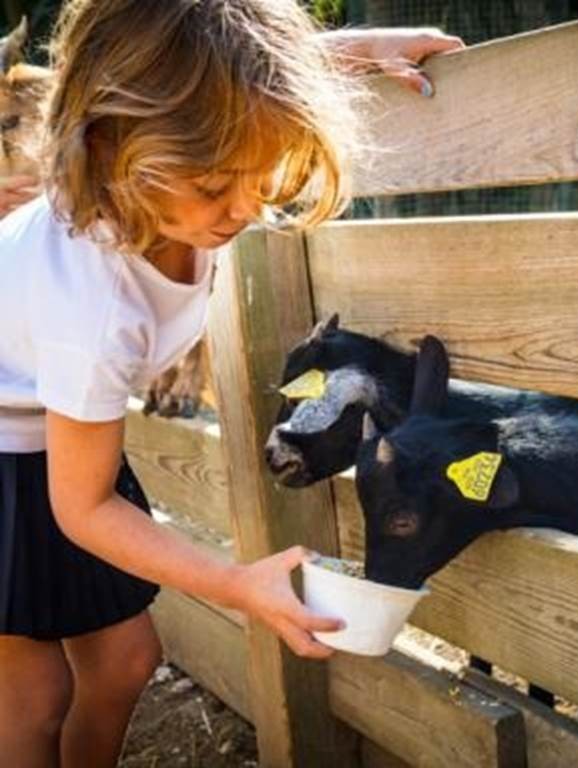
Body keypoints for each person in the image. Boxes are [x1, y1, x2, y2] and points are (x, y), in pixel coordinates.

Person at [0, 2, 463, 766]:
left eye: (261, 175)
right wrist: (237, 582)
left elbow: (216, 81)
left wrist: (350, 51)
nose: (248, 207)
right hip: (18, 448)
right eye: (218, 183)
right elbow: (81, 506)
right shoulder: (92, 300)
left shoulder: (169, 182)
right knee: (32, 692)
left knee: (121, 664)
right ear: (116, 149)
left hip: (54, 432)